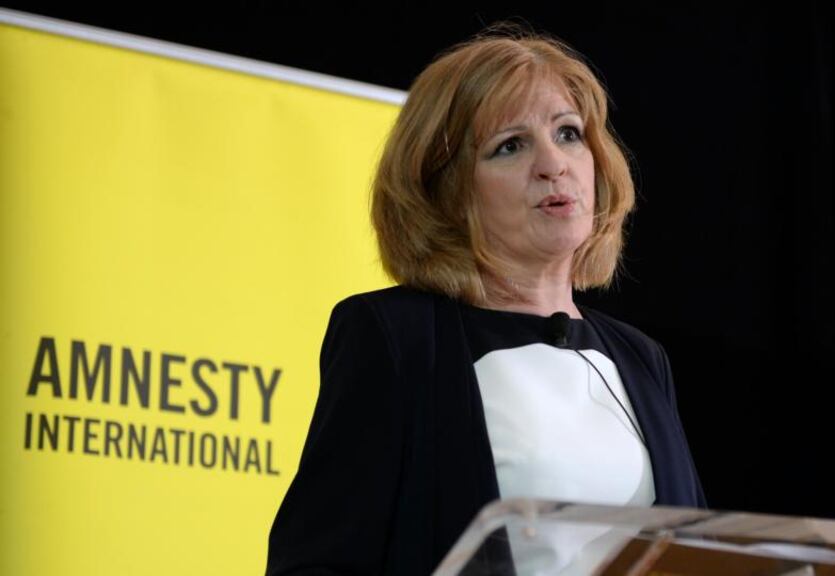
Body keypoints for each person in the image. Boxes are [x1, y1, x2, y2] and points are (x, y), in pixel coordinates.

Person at [266, 25, 705, 576]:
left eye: (568, 134)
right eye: (510, 146)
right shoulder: (397, 339)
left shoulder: (641, 359)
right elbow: (318, 562)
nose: (553, 163)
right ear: (448, 192)